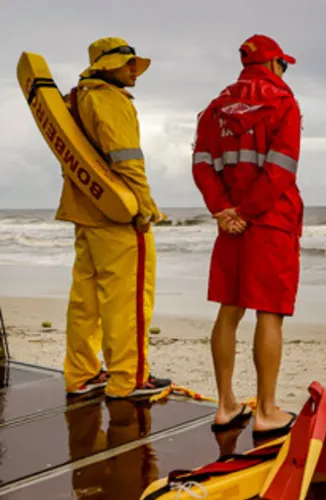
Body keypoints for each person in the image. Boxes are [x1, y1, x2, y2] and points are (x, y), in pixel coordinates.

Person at [191, 34, 303, 439]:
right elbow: (281, 168)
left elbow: (202, 165)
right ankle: (267, 410)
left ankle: (225, 405)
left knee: (229, 308)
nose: (284, 72)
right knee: (268, 313)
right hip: (270, 222)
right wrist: (247, 212)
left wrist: (224, 211)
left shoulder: (213, 109)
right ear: (274, 65)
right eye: (283, 65)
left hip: (230, 224)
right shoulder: (283, 103)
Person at [59, 36, 172, 399]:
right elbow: (127, 158)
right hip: (116, 215)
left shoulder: (74, 99)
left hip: (85, 210)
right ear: (109, 65)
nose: (135, 71)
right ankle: (129, 379)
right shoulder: (109, 99)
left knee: (86, 299)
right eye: (129, 65)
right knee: (129, 299)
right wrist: (144, 205)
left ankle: (81, 374)